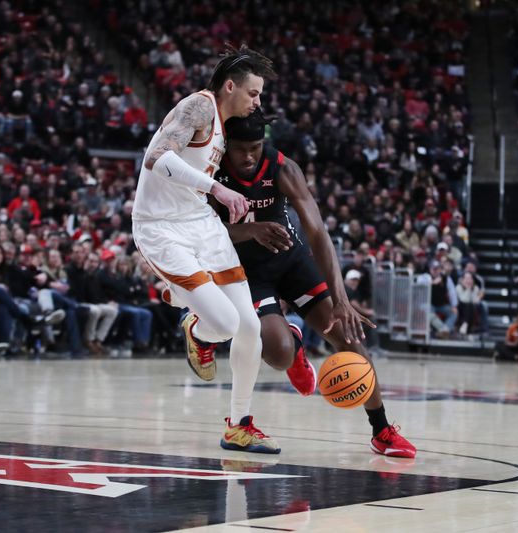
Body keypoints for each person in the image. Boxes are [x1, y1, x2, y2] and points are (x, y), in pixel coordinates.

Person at [211, 110, 416, 458]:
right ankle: (291, 341)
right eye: (242, 149)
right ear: (227, 146)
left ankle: (382, 430)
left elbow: (318, 231)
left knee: (347, 336)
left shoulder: (282, 167)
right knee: (277, 354)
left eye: (256, 148)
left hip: (291, 259)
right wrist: (249, 230)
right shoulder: (211, 173)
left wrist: (342, 300)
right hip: (248, 272)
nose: (249, 156)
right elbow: (202, 232)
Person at [132, 44, 279, 453]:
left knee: (251, 327)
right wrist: (217, 188)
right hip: (162, 228)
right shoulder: (198, 106)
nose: (258, 101)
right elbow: (156, 159)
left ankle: (239, 424)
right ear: (230, 86)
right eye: (253, 93)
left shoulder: (223, 123)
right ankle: (195, 328)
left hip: (201, 224)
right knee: (226, 325)